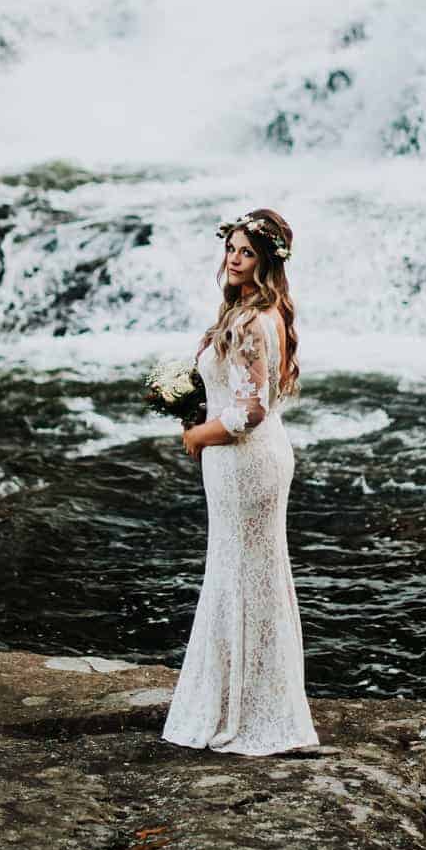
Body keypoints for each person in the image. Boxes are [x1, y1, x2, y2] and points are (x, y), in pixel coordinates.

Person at [161, 207, 320, 756]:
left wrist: (199, 434)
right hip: (250, 461)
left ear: (266, 261)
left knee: (243, 576)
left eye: (246, 252)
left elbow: (249, 411)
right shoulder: (256, 313)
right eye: (230, 249)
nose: (233, 259)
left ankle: (245, 715)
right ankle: (253, 704)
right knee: (245, 575)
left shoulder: (253, 321)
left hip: (245, 460)